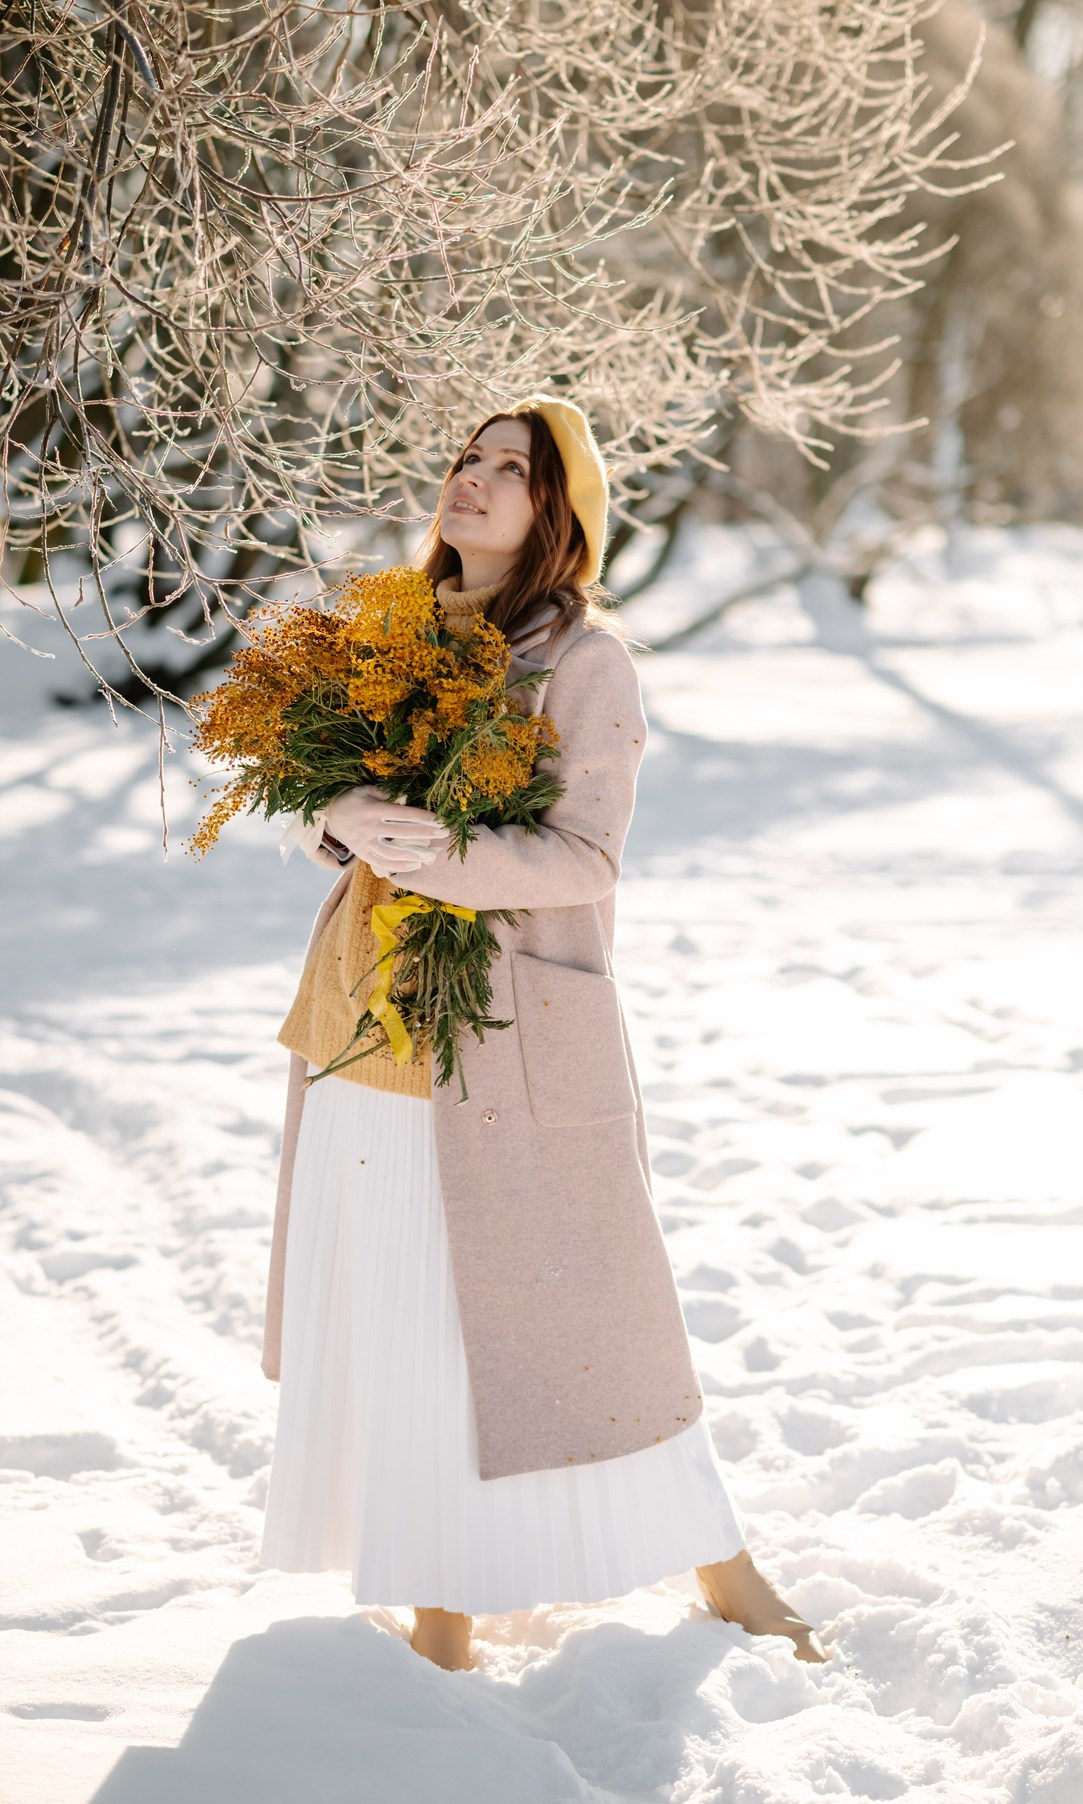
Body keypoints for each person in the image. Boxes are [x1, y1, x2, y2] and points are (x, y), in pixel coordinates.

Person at [257, 394, 829, 1673]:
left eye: (510, 469)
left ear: (555, 508)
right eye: (466, 456)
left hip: (503, 1038)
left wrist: (435, 849)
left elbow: (585, 860)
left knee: (577, 1316)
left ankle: (720, 1564)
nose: (474, 479)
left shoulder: (586, 660)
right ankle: (438, 1606)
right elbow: (328, 804)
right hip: (366, 1019)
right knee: (400, 1307)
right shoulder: (394, 625)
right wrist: (340, 814)